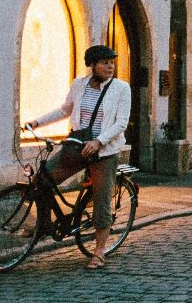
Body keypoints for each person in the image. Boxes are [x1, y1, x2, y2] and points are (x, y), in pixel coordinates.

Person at [26, 44, 131, 270]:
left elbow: (121, 123)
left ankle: (99, 251)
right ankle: (43, 225)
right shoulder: (79, 85)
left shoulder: (121, 89)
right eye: (104, 62)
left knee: (102, 201)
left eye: (112, 62)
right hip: (77, 147)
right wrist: (37, 122)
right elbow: (65, 109)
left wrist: (98, 141)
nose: (110, 66)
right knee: (42, 180)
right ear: (92, 65)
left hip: (104, 152)